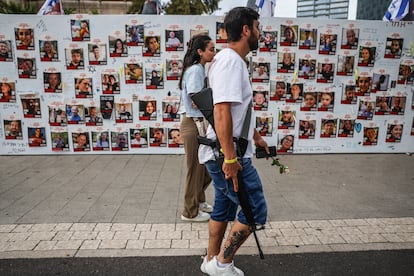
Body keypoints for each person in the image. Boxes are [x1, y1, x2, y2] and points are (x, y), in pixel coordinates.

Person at [198, 8, 269, 275]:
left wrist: (257, 137)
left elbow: (238, 113)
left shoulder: (230, 60)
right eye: (258, 27)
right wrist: (230, 159)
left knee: (224, 207)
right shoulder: (230, 61)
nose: (260, 33)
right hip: (228, 156)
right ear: (247, 30)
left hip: (224, 152)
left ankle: (211, 260)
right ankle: (223, 263)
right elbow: (221, 110)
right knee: (255, 211)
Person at [178, 34, 215, 222]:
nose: (214, 52)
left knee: (204, 167)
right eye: (211, 49)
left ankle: (199, 201)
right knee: (195, 168)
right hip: (193, 123)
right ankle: (189, 212)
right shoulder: (195, 70)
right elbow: (195, 97)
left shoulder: (198, 68)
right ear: (200, 52)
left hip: (196, 122)